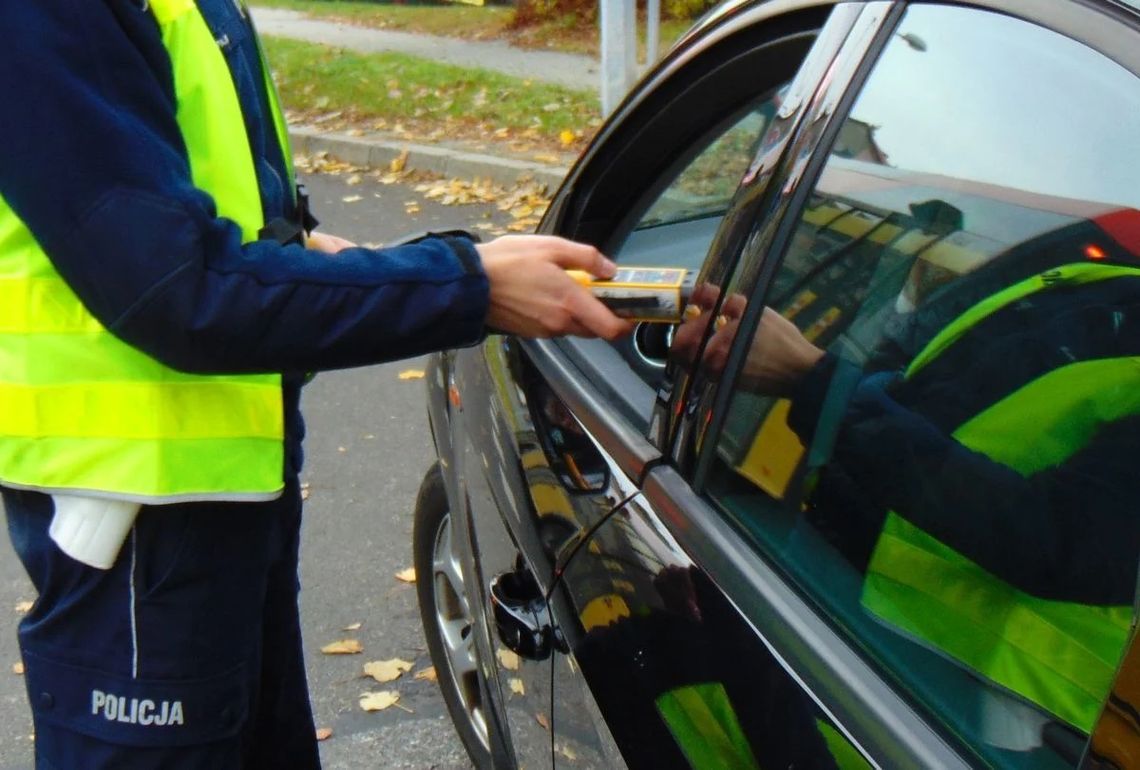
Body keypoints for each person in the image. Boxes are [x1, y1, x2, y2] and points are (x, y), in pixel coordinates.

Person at [0, 2, 630, 768]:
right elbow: (178, 291)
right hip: (132, 528)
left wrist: (319, 255)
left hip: (223, 507)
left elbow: (209, 221)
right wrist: (466, 285)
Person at [673, 241, 1140, 745]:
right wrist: (823, 379)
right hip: (828, 603)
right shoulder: (1089, 280)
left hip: (978, 715)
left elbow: (1063, 539)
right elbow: (923, 387)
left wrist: (815, 380)